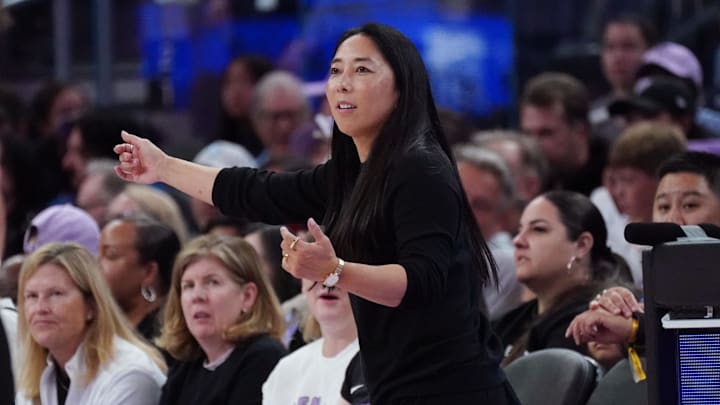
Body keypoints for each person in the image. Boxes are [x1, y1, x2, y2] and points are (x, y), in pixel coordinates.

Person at [115, 22, 518, 404]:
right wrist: (164, 167)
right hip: (397, 388)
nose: (342, 82)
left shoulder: (421, 168)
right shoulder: (350, 177)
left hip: (453, 390)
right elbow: (256, 191)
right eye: (335, 70)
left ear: (402, 88)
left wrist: (335, 270)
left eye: (362, 69)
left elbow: (421, 280)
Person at [15, 242, 166, 404]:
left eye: (56, 294)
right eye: (31, 296)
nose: (40, 308)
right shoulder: (34, 377)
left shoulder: (130, 374)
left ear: (92, 305)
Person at [492, 190, 629, 366]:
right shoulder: (507, 322)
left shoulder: (596, 320)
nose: (518, 240)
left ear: (581, 245)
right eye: (519, 230)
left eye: (538, 229)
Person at [156, 234, 286, 405]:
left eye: (212, 282)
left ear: (247, 296)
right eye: (188, 285)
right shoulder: (186, 364)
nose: (197, 296)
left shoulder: (263, 357)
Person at [262, 279, 359, 404]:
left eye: (339, 269)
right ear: (302, 284)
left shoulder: (379, 364)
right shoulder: (286, 369)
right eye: (316, 270)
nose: (328, 283)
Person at [520, 72, 608, 196]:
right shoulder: (530, 185)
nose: (533, 145)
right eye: (527, 134)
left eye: (546, 133)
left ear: (581, 131)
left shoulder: (614, 183)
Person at [98, 214, 181, 340]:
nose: (96, 263)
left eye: (110, 255)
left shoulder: (169, 340)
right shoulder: (97, 325)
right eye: (98, 253)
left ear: (149, 272)